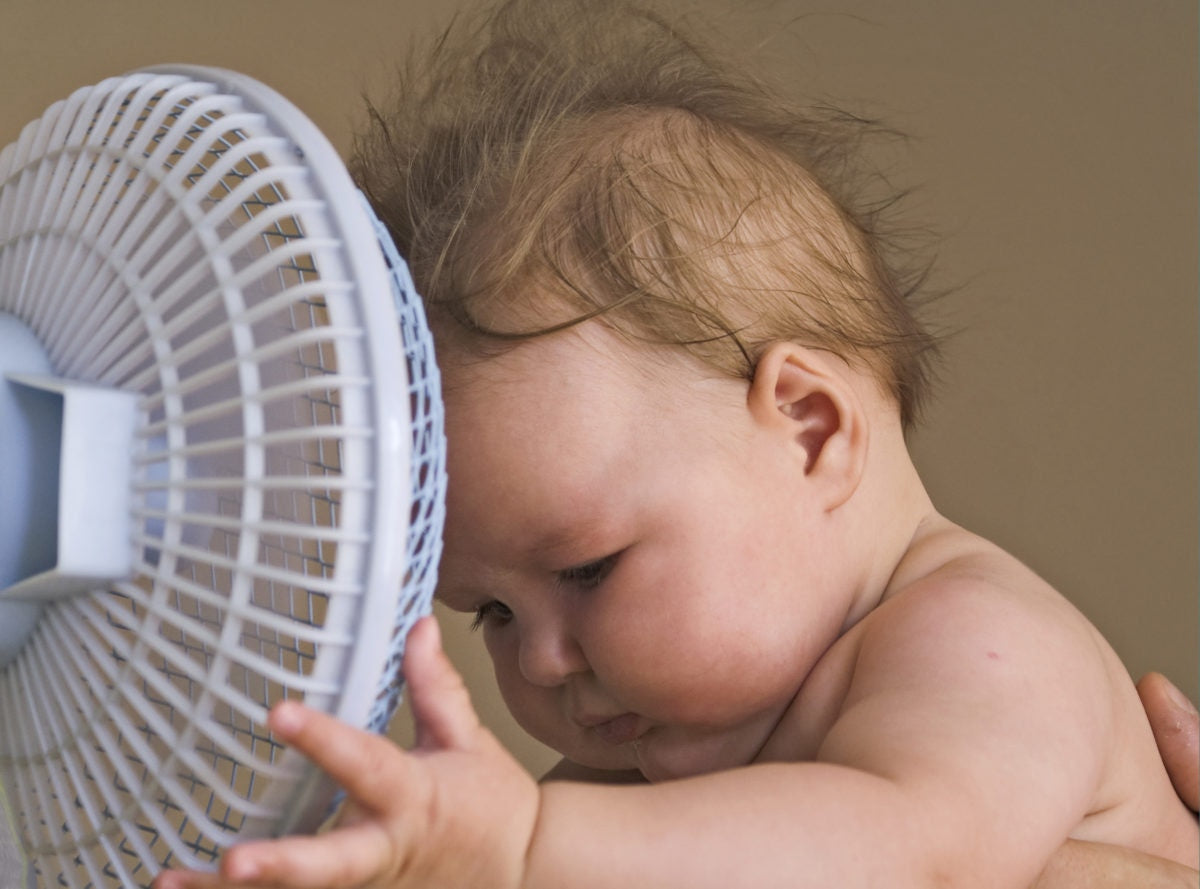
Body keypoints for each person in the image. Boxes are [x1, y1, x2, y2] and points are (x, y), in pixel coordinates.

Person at [156, 1, 1199, 886]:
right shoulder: (653, 764)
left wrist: (521, 844)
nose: (544, 660)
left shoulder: (980, 645)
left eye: (588, 569)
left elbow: (907, 854)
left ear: (810, 430)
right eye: (495, 615)